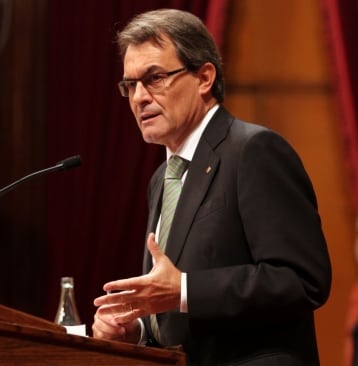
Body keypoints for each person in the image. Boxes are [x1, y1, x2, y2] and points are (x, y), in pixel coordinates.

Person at [92, 8, 332, 366]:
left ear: (204, 77)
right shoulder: (163, 177)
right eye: (130, 85)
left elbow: (301, 280)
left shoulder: (253, 151)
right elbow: (176, 307)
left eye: (154, 78)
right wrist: (138, 330)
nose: (139, 97)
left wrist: (184, 290)